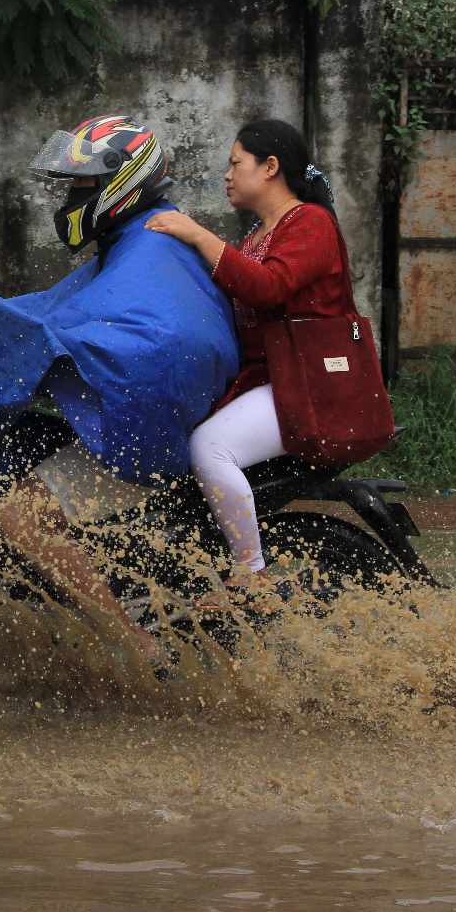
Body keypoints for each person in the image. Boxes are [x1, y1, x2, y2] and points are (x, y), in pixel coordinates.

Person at [0, 114, 241, 661]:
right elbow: (70, 308)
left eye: (81, 185)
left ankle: (134, 645)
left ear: (120, 182)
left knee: (20, 513)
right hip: (179, 408)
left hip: (156, 424)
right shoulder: (147, 233)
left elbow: (108, 323)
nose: (71, 198)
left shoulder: (151, 243)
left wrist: (13, 345)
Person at [144, 118, 347, 575]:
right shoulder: (258, 235)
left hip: (308, 386)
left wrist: (198, 235)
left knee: (210, 447)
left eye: (236, 163)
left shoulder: (311, 224)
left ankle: (249, 575)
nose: (228, 175)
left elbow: (269, 287)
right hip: (267, 382)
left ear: (270, 167)